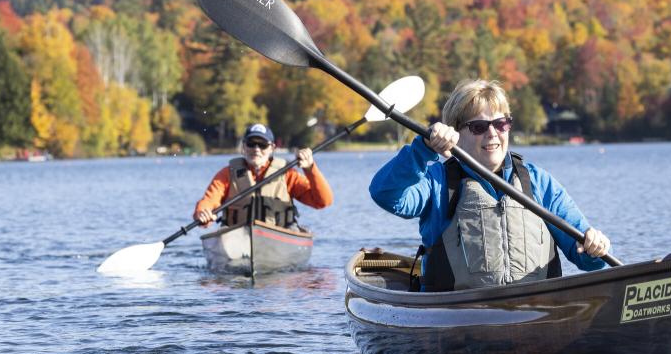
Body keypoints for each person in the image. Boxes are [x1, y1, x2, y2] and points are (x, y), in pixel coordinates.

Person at [369, 79, 612, 291]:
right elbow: (386, 194)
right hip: (457, 317)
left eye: (501, 123)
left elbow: (588, 261)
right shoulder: (437, 182)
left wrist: (594, 246)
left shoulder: (539, 183)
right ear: (455, 134)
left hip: (535, 312)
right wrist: (422, 150)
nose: (493, 134)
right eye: (479, 127)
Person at [193, 123, 334, 229]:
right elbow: (209, 200)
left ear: (272, 148)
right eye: (251, 144)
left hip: (279, 237)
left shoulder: (288, 174)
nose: (256, 149)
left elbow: (323, 201)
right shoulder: (227, 174)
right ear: (243, 147)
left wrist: (310, 169)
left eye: (262, 145)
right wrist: (202, 213)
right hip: (235, 238)